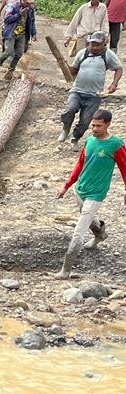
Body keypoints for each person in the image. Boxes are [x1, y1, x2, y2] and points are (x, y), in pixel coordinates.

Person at [56, 109, 126, 277]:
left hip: (96, 194)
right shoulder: (89, 141)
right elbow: (80, 165)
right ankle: (100, 234)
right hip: (80, 189)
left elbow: (125, 168)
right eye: (93, 125)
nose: (94, 129)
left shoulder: (116, 144)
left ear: (108, 124)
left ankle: (66, 270)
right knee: (88, 218)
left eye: (98, 126)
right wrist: (66, 186)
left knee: (79, 232)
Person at [60, 33, 122, 145]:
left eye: (97, 45)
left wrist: (114, 84)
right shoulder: (82, 53)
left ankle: (75, 138)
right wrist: (64, 65)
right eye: (92, 44)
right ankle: (66, 128)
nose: (94, 47)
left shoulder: (107, 54)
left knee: (86, 120)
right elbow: (73, 70)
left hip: (94, 95)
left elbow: (119, 68)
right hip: (77, 91)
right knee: (70, 109)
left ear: (103, 44)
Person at [0, 0, 38, 82]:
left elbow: (32, 21)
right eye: (28, 3)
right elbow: (7, 19)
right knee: (8, 52)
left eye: (31, 4)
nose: (29, 5)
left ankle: (10, 71)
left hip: (22, 34)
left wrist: (33, 33)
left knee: (19, 53)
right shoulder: (12, 6)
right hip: (10, 32)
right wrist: (19, 14)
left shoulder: (30, 9)